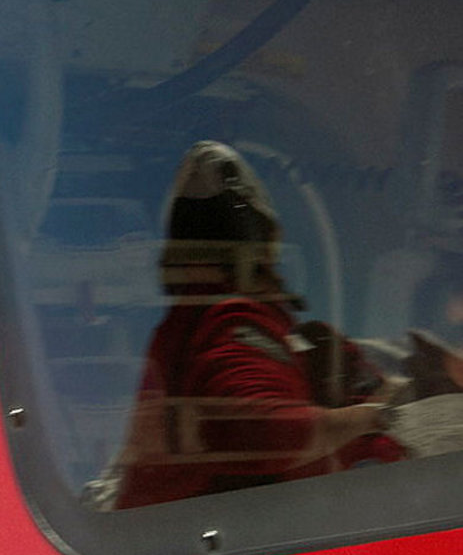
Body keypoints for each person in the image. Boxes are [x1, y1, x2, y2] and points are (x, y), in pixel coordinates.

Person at [108, 140, 405, 509]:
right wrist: (379, 416)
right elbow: (268, 433)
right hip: (238, 539)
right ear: (260, 251)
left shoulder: (185, 333)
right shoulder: (231, 322)